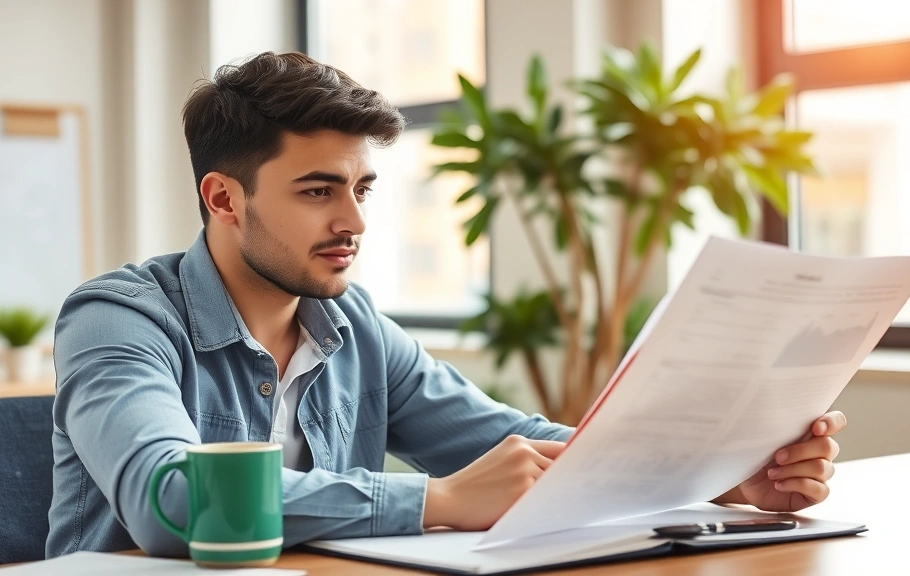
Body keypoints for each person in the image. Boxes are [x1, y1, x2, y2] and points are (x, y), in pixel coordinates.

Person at [45, 51, 847, 558]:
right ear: (223, 198)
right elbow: (170, 500)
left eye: (361, 189)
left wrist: (727, 479)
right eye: (319, 191)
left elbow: (521, 447)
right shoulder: (118, 319)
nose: (354, 222)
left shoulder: (354, 328)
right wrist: (437, 499)